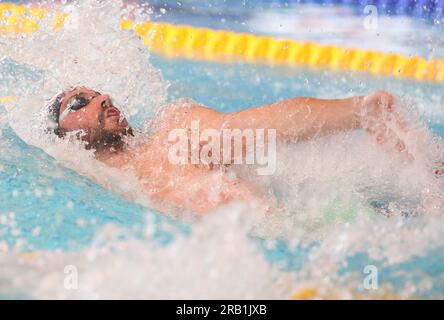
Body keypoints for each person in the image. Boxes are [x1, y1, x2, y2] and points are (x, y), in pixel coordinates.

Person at [46, 87, 412, 215]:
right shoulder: (87, 179)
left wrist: (355, 112)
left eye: (99, 93)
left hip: (297, 234)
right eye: (82, 101)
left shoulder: (171, 131)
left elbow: (243, 129)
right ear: (63, 136)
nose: (103, 98)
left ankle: (360, 110)